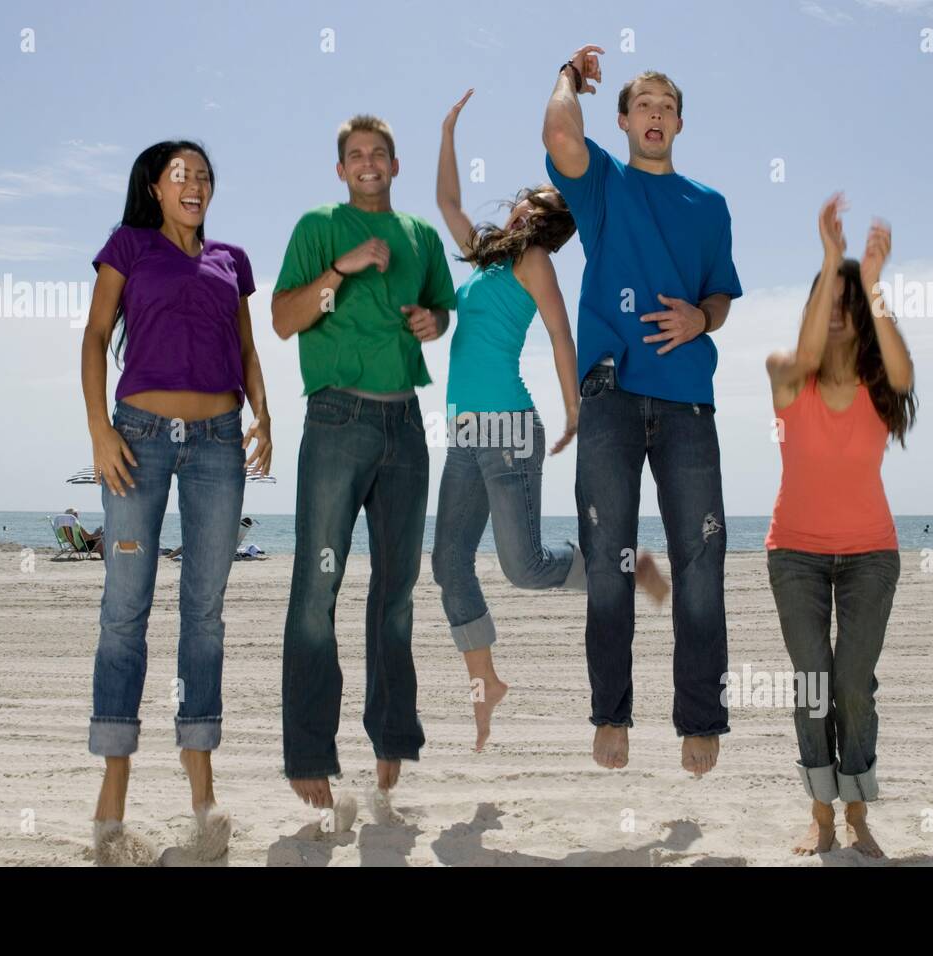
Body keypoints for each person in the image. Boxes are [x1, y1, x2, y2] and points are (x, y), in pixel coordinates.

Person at [432, 89, 659, 751]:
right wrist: (448, 131)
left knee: (525, 568)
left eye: (539, 200)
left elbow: (562, 337)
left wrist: (573, 409)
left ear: (550, 221)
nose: (524, 200)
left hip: (507, 430)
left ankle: (620, 567)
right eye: (529, 194)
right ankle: (486, 682)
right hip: (466, 432)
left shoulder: (534, 262)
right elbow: (448, 202)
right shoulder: (485, 254)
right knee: (448, 562)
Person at [543, 48, 741, 775]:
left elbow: (720, 293)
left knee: (701, 560)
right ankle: (611, 714)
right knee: (608, 559)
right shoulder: (603, 187)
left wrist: (703, 318)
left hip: (689, 400)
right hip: (611, 397)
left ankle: (700, 717)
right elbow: (561, 135)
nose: (655, 114)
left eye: (666, 105)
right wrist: (568, 73)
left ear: (679, 123)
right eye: (642, 105)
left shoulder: (710, 205)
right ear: (622, 121)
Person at [81, 140, 273, 864]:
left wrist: (265, 415)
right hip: (137, 440)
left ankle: (203, 799)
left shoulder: (232, 260)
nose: (194, 183)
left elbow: (248, 349)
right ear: (155, 189)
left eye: (202, 174)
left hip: (220, 444)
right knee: (125, 609)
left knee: (205, 615)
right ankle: (112, 805)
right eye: (179, 174)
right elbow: (97, 337)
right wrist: (99, 430)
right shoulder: (127, 247)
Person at [273, 115, 456, 817]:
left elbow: (441, 312)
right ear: (342, 169)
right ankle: (310, 752)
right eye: (356, 155)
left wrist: (434, 326)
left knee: (397, 591)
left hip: (405, 424)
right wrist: (338, 273)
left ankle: (391, 734)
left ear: (395, 165)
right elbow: (285, 319)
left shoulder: (421, 237)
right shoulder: (318, 226)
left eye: (379, 153)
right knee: (317, 591)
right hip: (336, 420)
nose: (369, 163)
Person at [764, 193, 916, 858]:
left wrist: (873, 285)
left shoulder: (881, 396)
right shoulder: (786, 377)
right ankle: (820, 814)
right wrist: (831, 262)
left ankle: (856, 812)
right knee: (814, 683)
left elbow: (904, 369)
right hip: (793, 554)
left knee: (852, 683)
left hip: (870, 556)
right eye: (825, 304)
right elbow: (800, 349)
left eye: (845, 309)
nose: (834, 319)